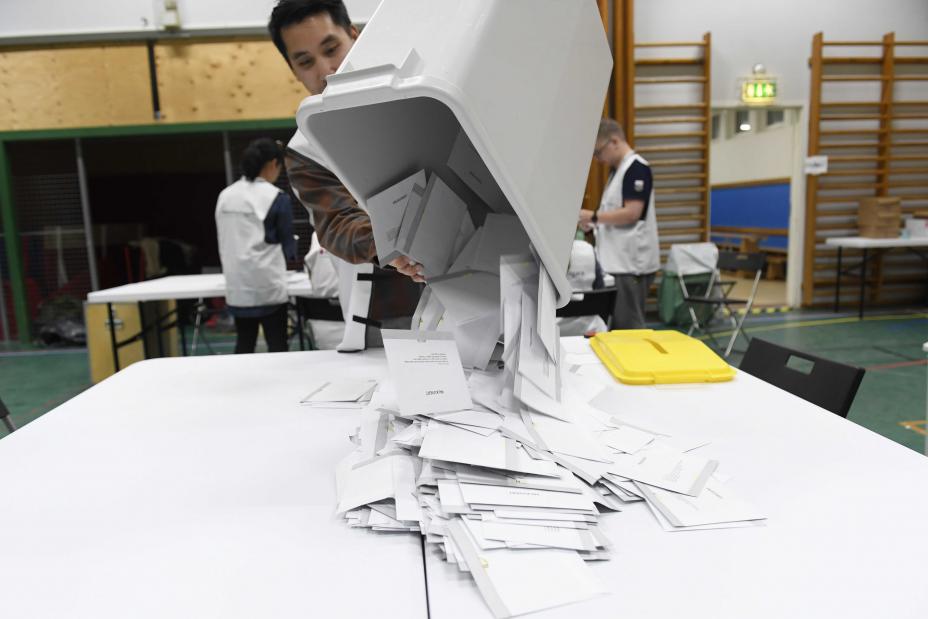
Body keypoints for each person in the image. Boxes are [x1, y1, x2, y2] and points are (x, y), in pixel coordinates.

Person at [267, 0, 424, 349]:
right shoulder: (305, 149)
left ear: (354, 37)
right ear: (293, 69)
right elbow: (336, 223)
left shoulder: (418, 98)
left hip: (474, 287)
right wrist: (390, 244)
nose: (325, 70)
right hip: (383, 315)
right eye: (306, 62)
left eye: (331, 49)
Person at [215, 138, 297, 354]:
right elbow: (288, 246)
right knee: (277, 347)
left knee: (244, 346)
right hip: (268, 287)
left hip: (236, 286)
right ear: (272, 164)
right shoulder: (276, 197)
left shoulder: (225, 196)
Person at [579, 118, 660, 329]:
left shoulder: (636, 168)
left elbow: (632, 213)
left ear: (614, 141)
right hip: (617, 262)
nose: (598, 159)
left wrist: (593, 217)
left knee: (629, 328)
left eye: (599, 152)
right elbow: (613, 212)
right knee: (617, 327)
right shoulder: (618, 171)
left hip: (630, 265)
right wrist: (594, 224)